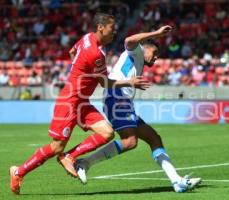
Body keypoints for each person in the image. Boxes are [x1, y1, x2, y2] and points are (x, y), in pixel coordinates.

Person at [9, 13, 150, 195]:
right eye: (111, 29)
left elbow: (72, 52)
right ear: (100, 27)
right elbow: (105, 83)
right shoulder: (96, 53)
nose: (115, 32)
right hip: (70, 100)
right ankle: (18, 172)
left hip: (81, 101)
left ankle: (70, 156)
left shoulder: (87, 38)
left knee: (107, 133)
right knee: (57, 147)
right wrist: (130, 82)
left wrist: (79, 72)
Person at [71, 25, 201, 193]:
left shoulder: (138, 61)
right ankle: (84, 163)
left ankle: (176, 181)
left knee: (154, 138)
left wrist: (132, 86)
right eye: (154, 54)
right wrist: (157, 33)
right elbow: (129, 40)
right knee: (130, 141)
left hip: (123, 101)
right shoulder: (137, 51)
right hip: (116, 98)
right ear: (145, 48)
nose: (155, 59)